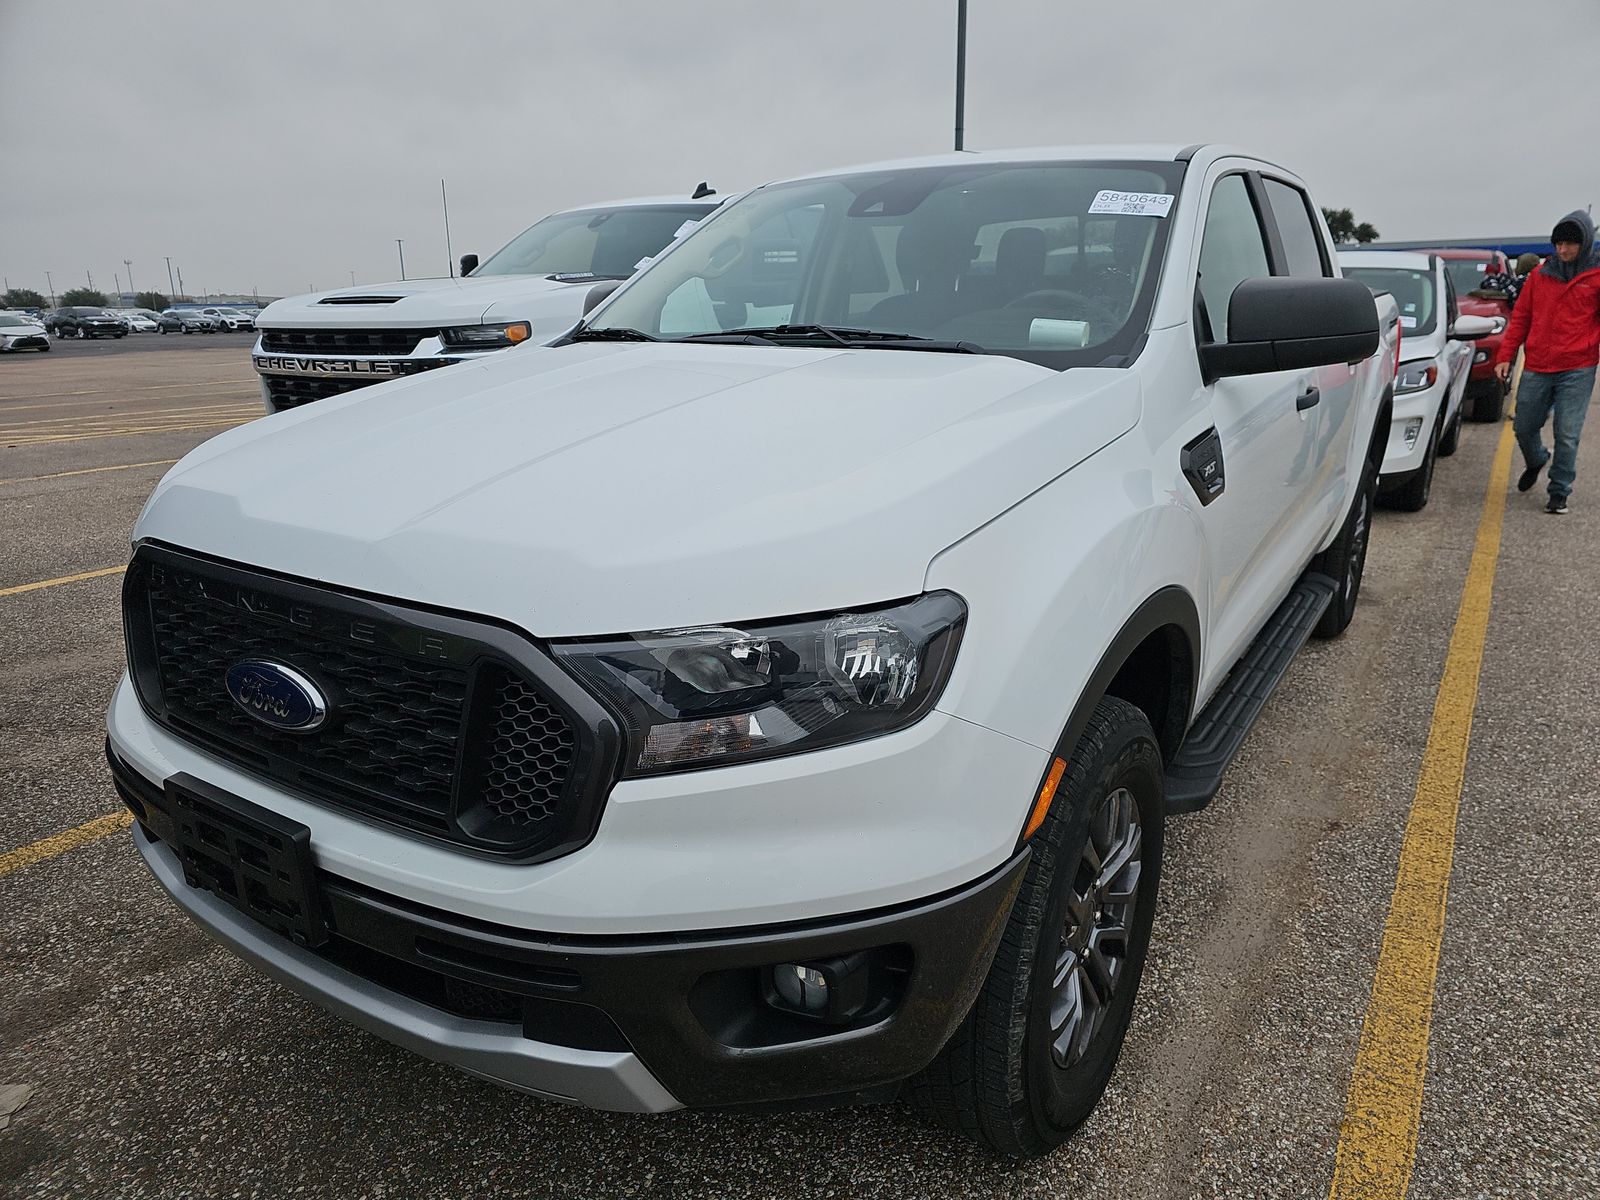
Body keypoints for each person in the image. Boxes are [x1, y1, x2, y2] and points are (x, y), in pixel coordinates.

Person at [1494, 211, 1600, 514]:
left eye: (1569, 244)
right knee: (1524, 427)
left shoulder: (1596, 277)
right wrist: (1506, 356)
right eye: (1558, 244)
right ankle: (1537, 458)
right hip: (1538, 364)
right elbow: (1521, 319)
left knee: (1567, 433)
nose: (1562, 250)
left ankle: (1559, 491)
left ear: (1585, 244)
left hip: (1578, 367)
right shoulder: (1539, 277)